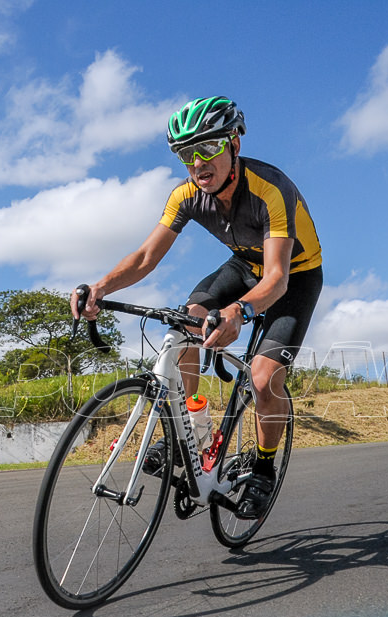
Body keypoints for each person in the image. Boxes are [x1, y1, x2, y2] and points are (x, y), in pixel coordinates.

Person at [72, 96, 323, 518]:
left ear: (234, 146)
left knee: (262, 381)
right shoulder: (186, 195)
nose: (197, 163)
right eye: (185, 154)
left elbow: (276, 278)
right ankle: (194, 429)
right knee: (183, 326)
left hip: (293, 276)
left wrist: (238, 313)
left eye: (207, 148)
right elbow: (144, 258)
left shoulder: (271, 188)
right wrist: (100, 287)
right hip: (244, 265)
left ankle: (263, 467)